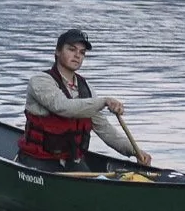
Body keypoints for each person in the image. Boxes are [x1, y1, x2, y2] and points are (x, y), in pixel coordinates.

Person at [18, 28, 151, 168]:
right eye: (71, 49)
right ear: (57, 51)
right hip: (38, 160)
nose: (77, 55)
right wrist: (104, 101)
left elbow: (104, 129)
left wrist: (135, 152)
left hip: (73, 161)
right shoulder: (40, 81)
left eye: (82, 52)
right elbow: (63, 107)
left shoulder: (86, 88)